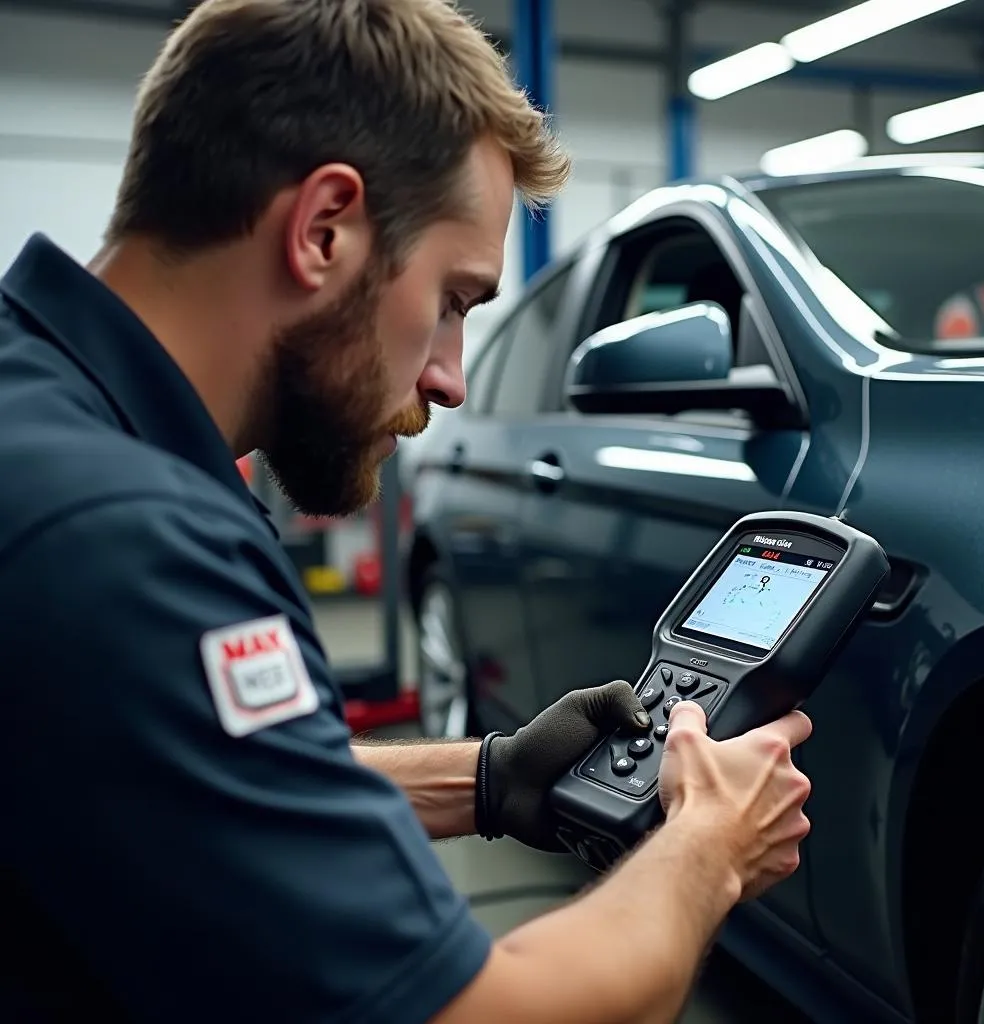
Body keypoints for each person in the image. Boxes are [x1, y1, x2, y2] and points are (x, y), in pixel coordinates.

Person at [0, 1, 813, 1021]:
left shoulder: (46, 417)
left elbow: (214, 784)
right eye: (455, 301)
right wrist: (708, 844)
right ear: (323, 229)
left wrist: (489, 777)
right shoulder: (124, 534)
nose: (453, 378)